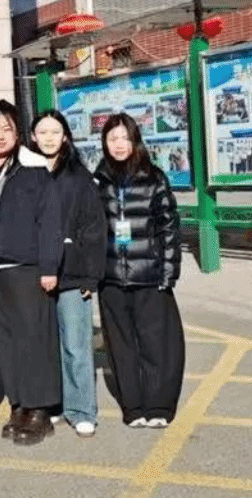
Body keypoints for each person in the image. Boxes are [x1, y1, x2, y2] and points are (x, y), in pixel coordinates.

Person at [0, 99, 63, 446]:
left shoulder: (34, 170)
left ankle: (40, 409)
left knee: (34, 340)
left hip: (27, 269)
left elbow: (50, 222)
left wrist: (49, 266)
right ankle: (19, 404)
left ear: (18, 134)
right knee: (5, 341)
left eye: (6, 129)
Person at [94, 113, 185, 429]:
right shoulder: (98, 180)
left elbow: (169, 227)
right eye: (112, 138)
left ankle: (159, 405)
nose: (119, 144)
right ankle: (133, 406)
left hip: (149, 276)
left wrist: (168, 272)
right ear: (104, 143)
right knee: (121, 347)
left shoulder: (154, 178)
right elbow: (90, 230)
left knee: (156, 344)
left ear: (135, 141)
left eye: (124, 138)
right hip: (111, 279)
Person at [31, 111, 106, 438]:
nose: (48, 138)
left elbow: (94, 229)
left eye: (55, 132)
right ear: (32, 137)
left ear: (65, 137)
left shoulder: (79, 178)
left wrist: (91, 276)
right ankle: (57, 403)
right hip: (34, 274)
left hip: (73, 275)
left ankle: (82, 409)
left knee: (76, 344)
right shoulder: (26, 175)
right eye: (42, 132)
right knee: (46, 346)